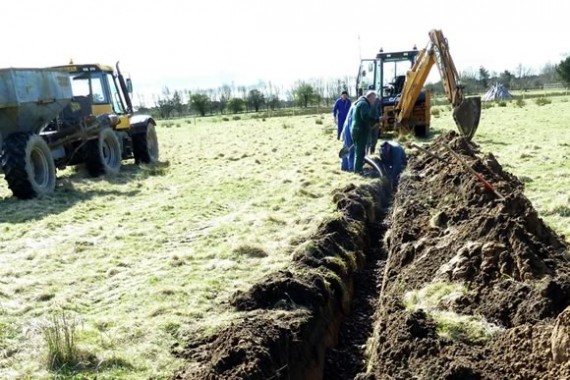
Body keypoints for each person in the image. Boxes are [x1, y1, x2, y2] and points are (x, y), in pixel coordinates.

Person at [351, 90, 379, 173]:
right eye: (374, 99)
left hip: (358, 130)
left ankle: (358, 169)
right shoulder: (364, 104)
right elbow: (365, 117)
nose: (374, 101)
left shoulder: (361, 103)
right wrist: (377, 119)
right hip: (360, 130)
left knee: (359, 151)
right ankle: (358, 171)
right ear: (369, 97)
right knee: (360, 152)